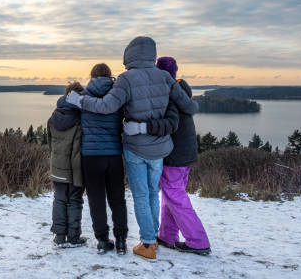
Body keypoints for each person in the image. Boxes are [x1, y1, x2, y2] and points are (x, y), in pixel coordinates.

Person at [66, 36, 199, 260]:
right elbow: (190, 106)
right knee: (152, 194)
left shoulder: (126, 79)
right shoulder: (165, 77)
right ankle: (152, 238)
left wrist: (81, 102)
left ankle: (148, 243)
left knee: (141, 195)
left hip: (135, 148)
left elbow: (107, 106)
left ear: (130, 54)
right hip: (159, 148)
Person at [124, 57, 211, 256]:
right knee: (169, 196)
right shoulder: (181, 91)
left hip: (175, 156)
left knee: (175, 196)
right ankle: (167, 235)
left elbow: (168, 124)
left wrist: (140, 127)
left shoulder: (169, 94)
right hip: (185, 153)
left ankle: (198, 241)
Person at [80, 63, 128, 254]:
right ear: (110, 76)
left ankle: (102, 239)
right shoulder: (117, 97)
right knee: (117, 200)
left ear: (91, 76)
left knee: (96, 199)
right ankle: (122, 240)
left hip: (91, 156)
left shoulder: (83, 97)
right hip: (114, 154)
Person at [47, 81, 86, 248]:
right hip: (75, 168)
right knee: (75, 200)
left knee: (59, 199)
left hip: (57, 165)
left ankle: (59, 236)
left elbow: (49, 143)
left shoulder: (53, 117)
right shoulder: (80, 118)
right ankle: (73, 237)